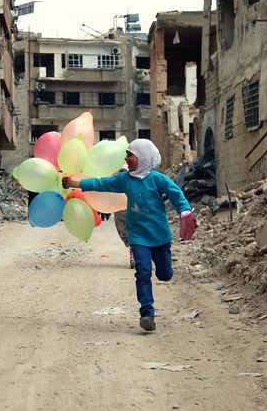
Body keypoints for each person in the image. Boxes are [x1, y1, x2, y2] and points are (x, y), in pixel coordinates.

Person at [62, 139, 196, 332]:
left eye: (130, 155)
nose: (126, 159)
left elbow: (176, 195)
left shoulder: (158, 179)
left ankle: (164, 273)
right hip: (138, 236)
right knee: (142, 271)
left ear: (143, 158)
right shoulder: (125, 179)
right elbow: (102, 183)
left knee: (165, 274)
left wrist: (185, 211)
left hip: (160, 235)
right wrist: (74, 183)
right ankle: (147, 313)